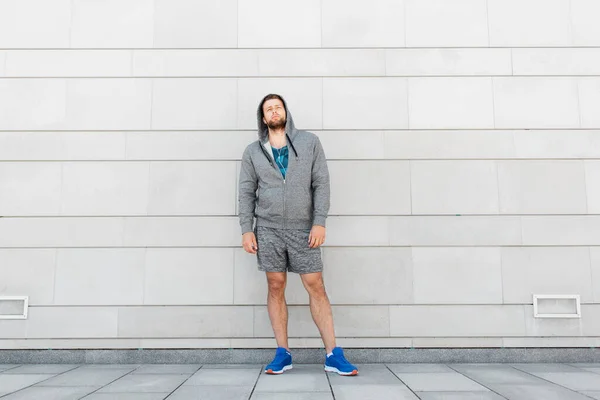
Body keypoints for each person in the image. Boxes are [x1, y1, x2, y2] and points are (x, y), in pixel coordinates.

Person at [238, 94, 358, 376]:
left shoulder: (309, 142)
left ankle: (333, 355)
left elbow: (322, 184)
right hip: (267, 229)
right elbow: (245, 192)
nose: (274, 111)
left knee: (315, 285)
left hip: (304, 228)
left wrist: (319, 222)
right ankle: (283, 353)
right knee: (275, 285)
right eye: (269, 109)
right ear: (263, 118)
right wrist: (246, 229)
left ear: (285, 112)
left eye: (277, 106)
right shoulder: (253, 151)